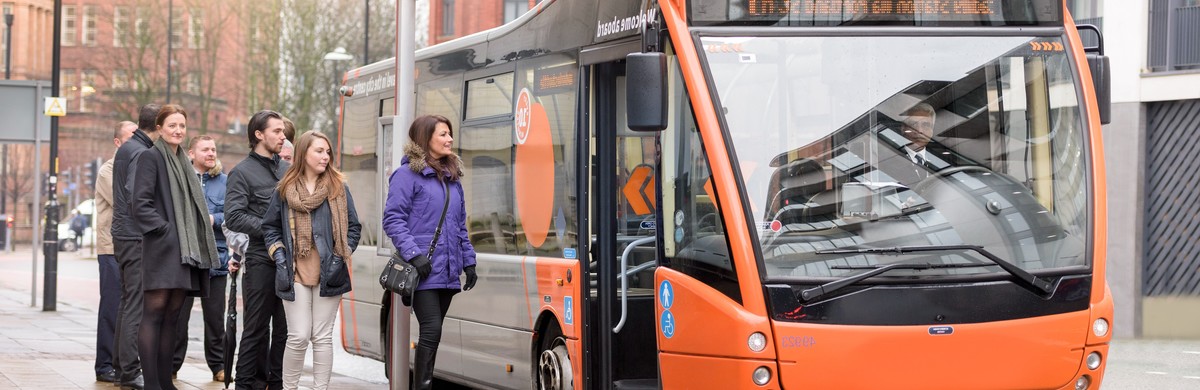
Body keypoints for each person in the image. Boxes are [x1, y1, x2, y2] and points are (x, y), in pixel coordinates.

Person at [383, 114, 478, 390]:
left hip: (448, 270)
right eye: (443, 134)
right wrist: (414, 254)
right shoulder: (406, 175)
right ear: (426, 139)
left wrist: (469, 263)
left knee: (433, 335)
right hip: (422, 269)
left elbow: (460, 225)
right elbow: (393, 219)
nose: (449, 139)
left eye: (450, 134)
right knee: (431, 329)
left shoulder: (452, 178)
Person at [130, 104, 220, 390]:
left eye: (182, 125)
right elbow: (139, 204)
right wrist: (165, 230)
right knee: (154, 313)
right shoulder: (150, 157)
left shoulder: (183, 160)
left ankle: (164, 382)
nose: (178, 130)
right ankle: (152, 384)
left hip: (184, 250)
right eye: (172, 125)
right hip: (163, 248)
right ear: (159, 128)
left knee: (172, 316)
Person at [262, 130, 361, 390]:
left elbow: (354, 227)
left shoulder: (338, 187)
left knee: (322, 336)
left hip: (331, 270)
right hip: (294, 270)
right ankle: (289, 388)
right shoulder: (285, 189)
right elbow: (270, 228)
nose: (325, 156)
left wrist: (342, 253)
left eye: (327, 151)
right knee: (297, 337)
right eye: (319, 151)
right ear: (303, 153)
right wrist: (280, 256)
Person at [226, 110, 290, 390]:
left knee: (286, 332)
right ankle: (244, 385)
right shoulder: (241, 172)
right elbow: (234, 216)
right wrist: (271, 228)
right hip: (261, 261)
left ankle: (276, 384)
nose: (282, 136)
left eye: (283, 131)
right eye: (276, 131)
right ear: (259, 134)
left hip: (288, 263)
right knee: (255, 329)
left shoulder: (287, 170)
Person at [171, 135, 229, 382]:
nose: (211, 153)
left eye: (213, 149)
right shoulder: (180, 179)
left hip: (216, 257)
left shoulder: (225, 182)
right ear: (191, 153)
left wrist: (215, 219)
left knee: (215, 318)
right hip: (186, 258)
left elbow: (234, 214)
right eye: (205, 149)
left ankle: (219, 366)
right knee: (178, 316)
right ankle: (172, 366)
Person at [112, 103, 160, 390]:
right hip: (134, 235)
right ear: (158, 126)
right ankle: (130, 371)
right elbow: (135, 193)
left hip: (123, 233)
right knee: (136, 304)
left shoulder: (127, 149)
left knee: (127, 302)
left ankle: (122, 366)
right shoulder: (142, 152)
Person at [94, 120, 137, 383]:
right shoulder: (108, 171)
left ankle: (124, 363)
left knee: (129, 307)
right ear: (117, 143)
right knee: (112, 307)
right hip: (111, 247)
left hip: (131, 246)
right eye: (131, 137)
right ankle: (105, 365)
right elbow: (127, 201)